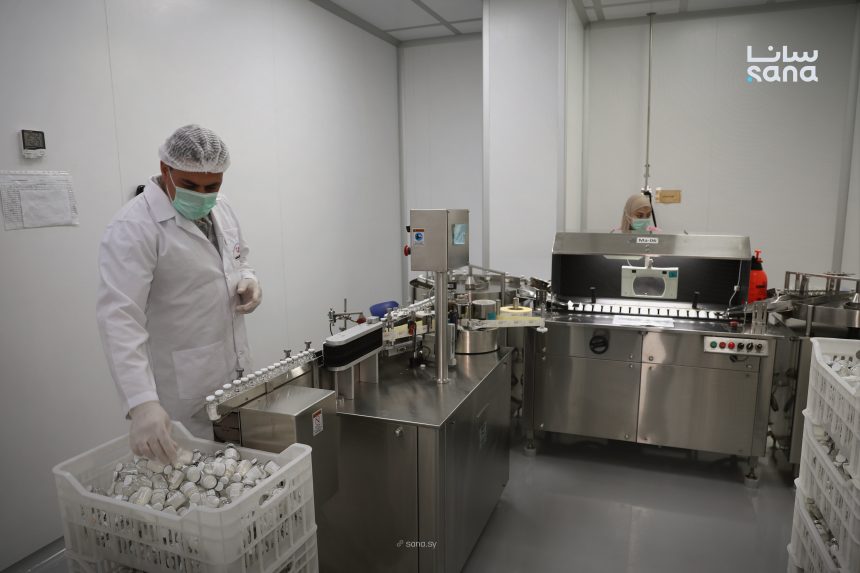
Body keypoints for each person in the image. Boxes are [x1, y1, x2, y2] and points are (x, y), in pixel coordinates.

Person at [97, 124, 262, 464]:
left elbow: (239, 257)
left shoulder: (222, 207)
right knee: (195, 481)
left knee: (242, 473)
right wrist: (141, 403)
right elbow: (120, 319)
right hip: (183, 393)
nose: (202, 195)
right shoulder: (134, 227)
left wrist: (248, 278)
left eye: (211, 186)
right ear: (165, 169)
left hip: (235, 376)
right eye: (190, 185)